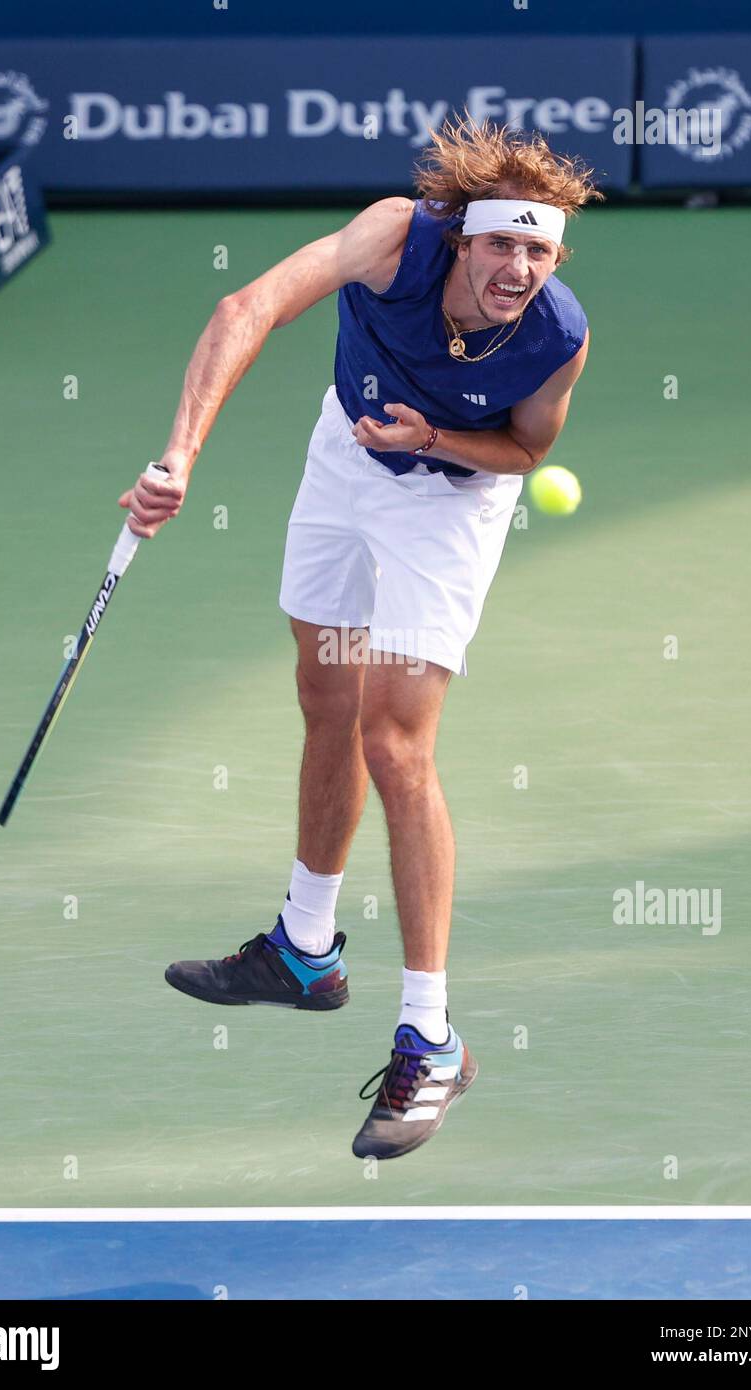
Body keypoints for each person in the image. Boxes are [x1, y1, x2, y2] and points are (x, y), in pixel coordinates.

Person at [118, 119, 598, 1161]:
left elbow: (520, 451)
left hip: (449, 497)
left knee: (394, 743)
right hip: (345, 453)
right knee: (324, 694)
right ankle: (303, 948)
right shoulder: (391, 238)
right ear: (460, 238)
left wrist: (432, 439)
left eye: (538, 251)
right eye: (500, 245)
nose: (516, 268)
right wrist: (178, 457)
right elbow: (246, 307)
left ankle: (432, 1036)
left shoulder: (558, 335)